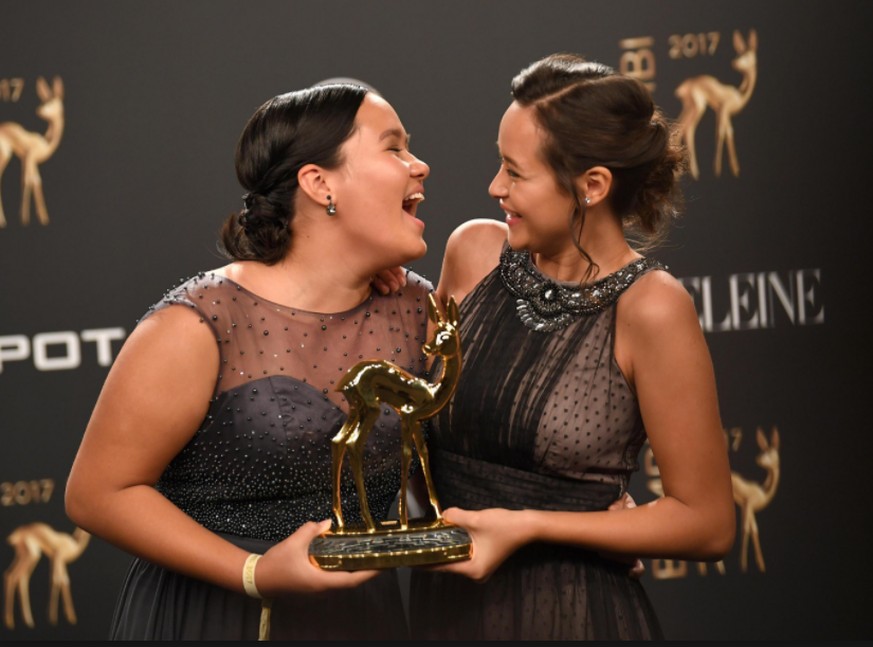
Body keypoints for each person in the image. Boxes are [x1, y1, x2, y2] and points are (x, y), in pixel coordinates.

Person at [64, 82, 434, 640]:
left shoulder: (418, 309)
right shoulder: (200, 322)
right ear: (319, 182)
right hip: (212, 616)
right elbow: (99, 494)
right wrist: (255, 573)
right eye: (394, 148)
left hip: (360, 618)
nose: (420, 165)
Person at [406, 53, 736, 640]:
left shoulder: (651, 308)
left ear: (591, 186)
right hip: (442, 614)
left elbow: (707, 524)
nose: (494, 187)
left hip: (571, 615)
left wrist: (532, 526)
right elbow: (414, 430)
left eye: (515, 172)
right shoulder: (474, 253)